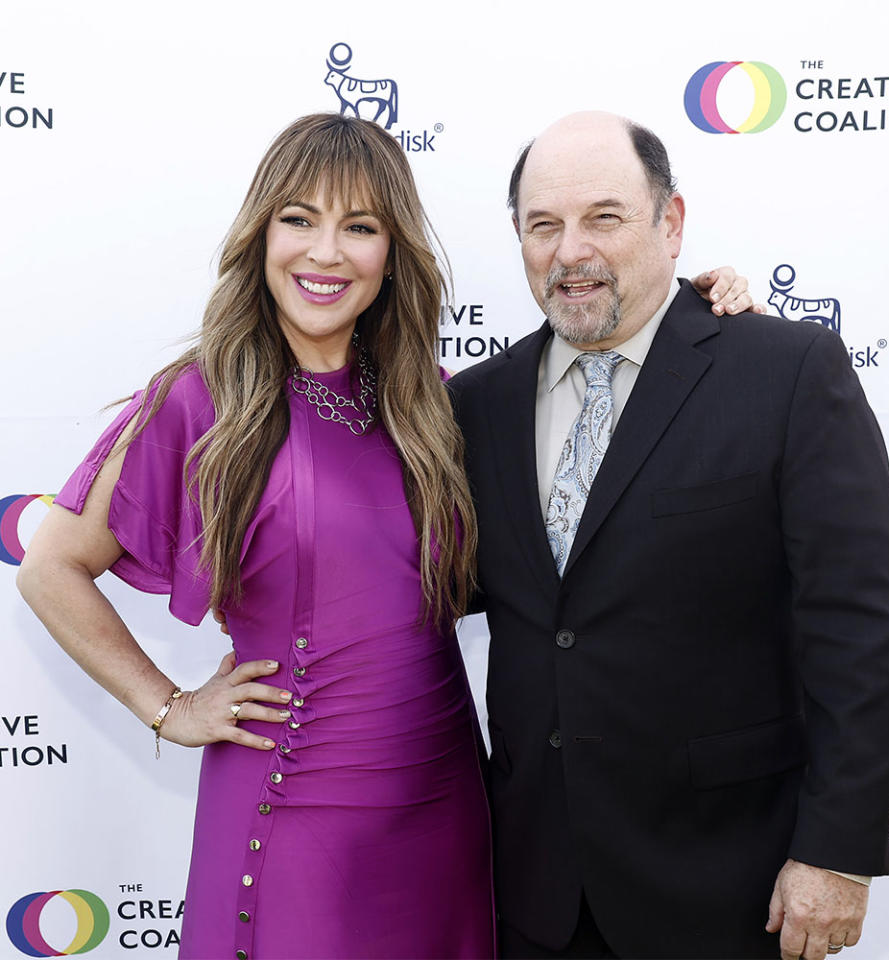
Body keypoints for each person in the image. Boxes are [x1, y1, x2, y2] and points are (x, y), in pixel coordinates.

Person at [16, 112, 756, 959]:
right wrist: (169, 706)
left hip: (446, 807)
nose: (326, 253)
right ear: (262, 235)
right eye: (300, 219)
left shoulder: (438, 404)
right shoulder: (200, 398)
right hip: (292, 814)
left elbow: (598, 437)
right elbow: (50, 568)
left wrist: (692, 310)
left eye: (359, 227)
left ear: (390, 252)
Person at [447, 112, 889, 960]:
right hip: (531, 890)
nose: (570, 250)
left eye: (604, 217)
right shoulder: (474, 405)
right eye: (542, 226)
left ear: (671, 222)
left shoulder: (783, 372)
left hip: (731, 888)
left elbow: (860, 628)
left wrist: (837, 855)